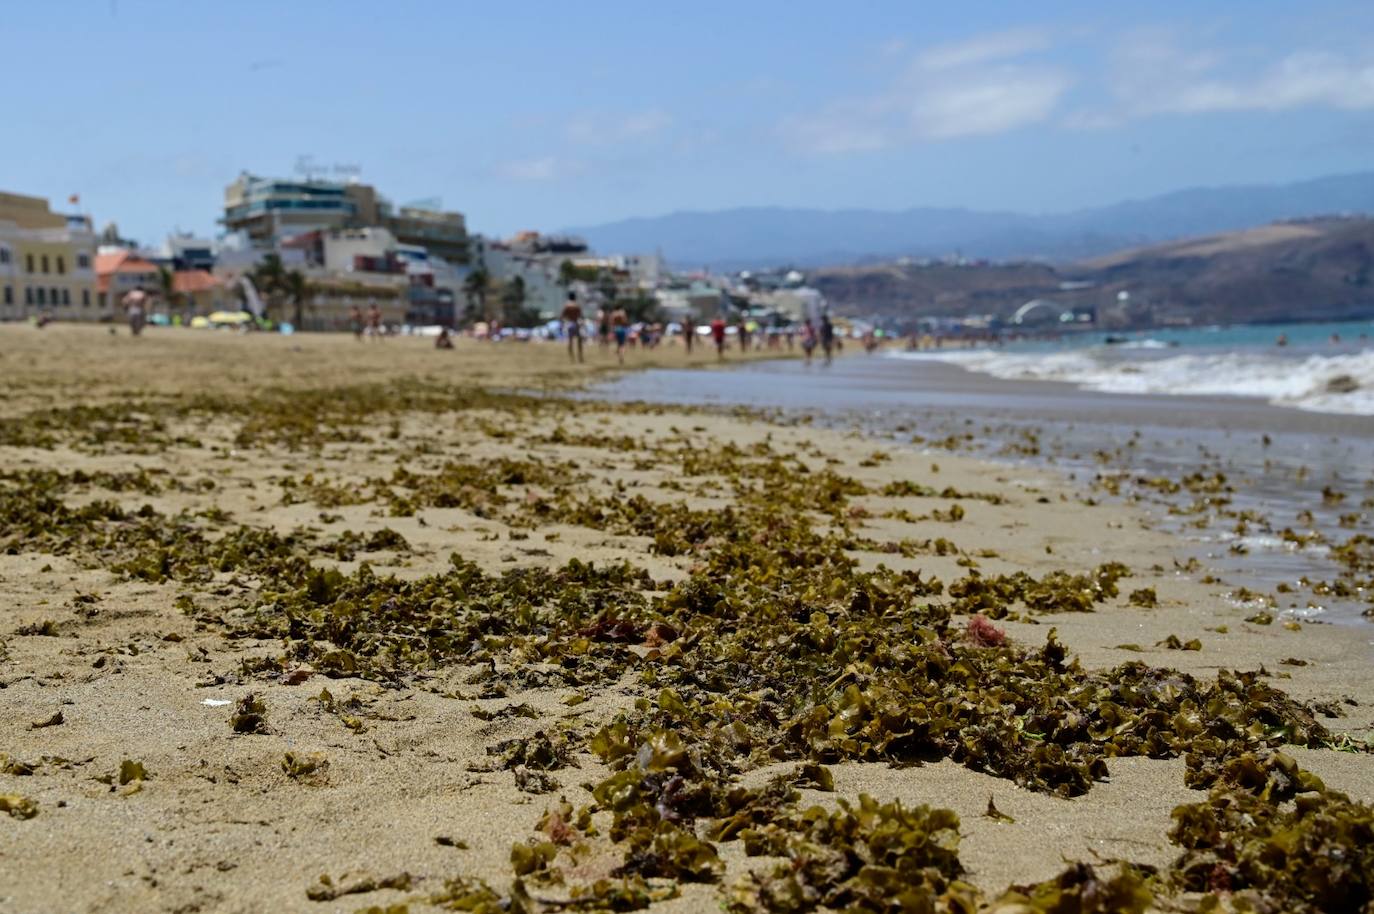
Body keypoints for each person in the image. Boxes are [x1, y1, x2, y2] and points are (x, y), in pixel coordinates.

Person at [562, 292, 584, 363]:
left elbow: (562, 315)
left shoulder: (567, 305)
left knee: (570, 341)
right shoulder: (577, 305)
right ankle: (580, 356)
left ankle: (572, 358)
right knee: (579, 341)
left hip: (569, 323)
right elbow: (580, 315)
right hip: (575, 323)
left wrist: (563, 323)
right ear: (575, 297)